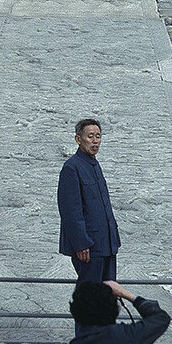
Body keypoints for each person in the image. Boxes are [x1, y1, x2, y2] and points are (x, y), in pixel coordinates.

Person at [58, 119, 120, 283]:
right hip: (89, 247)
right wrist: (81, 243)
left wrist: (114, 238)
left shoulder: (94, 165)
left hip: (107, 244)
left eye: (98, 136)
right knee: (89, 293)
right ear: (78, 139)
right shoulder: (71, 167)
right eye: (90, 136)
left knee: (108, 291)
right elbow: (70, 211)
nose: (95, 141)